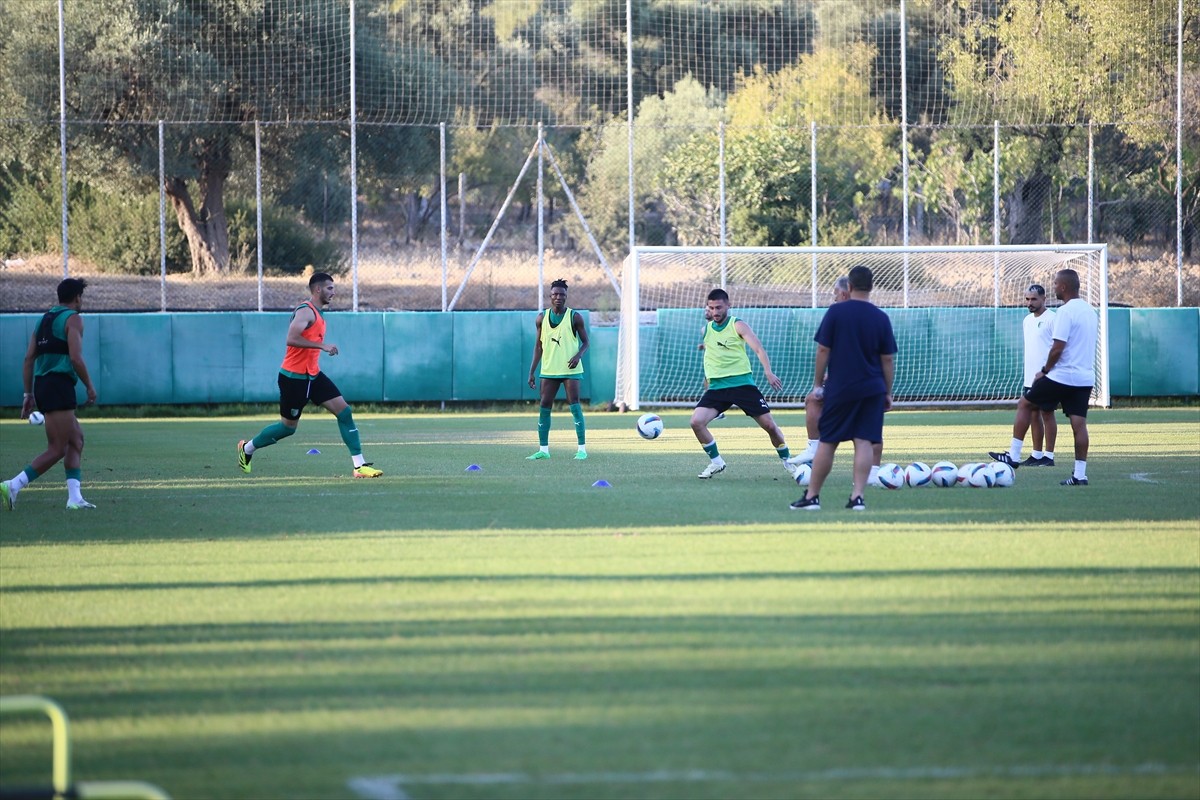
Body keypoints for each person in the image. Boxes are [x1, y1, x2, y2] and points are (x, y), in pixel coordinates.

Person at [237, 272, 382, 478]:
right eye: (330, 288)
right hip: (294, 378)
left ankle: (359, 466)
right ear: (317, 289)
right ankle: (247, 449)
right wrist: (322, 345)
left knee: (344, 412)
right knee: (287, 428)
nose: (333, 292)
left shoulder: (319, 314)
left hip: (313, 376)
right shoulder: (306, 311)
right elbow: (291, 338)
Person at [789, 265, 897, 511]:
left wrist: (817, 384)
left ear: (848, 287)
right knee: (864, 441)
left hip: (841, 387)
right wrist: (887, 392)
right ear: (871, 287)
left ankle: (812, 497)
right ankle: (857, 496)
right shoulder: (881, 317)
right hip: (872, 389)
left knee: (828, 442)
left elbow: (823, 349)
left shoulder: (836, 313)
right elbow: (887, 359)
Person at [989, 269, 1098, 485]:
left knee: (1025, 404)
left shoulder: (1065, 312)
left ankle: (1013, 456)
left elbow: (1057, 348)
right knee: (1079, 425)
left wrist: (1045, 371)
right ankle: (1080, 475)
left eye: (1056, 283)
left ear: (1064, 287)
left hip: (1062, 375)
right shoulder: (1090, 311)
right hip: (1085, 378)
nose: (1054, 286)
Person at [1, 278, 99, 510]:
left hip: (43, 385)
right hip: (59, 385)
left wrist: (28, 394)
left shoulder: (43, 320)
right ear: (77, 297)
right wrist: (89, 386)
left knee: (76, 440)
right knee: (57, 449)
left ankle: (74, 499)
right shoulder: (73, 319)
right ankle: (13, 485)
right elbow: (75, 358)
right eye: (81, 297)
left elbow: (28, 359)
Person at [691, 288, 797, 479]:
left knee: (770, 426)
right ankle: (717, 462)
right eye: (712, 307)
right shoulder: (705, 330)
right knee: (696, 422)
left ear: (728, 306)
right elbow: (713, 349)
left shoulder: (738, 325)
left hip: (742, 385)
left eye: (719, 307)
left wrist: (768, 372)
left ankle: (788, 461)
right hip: (717, 387)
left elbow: (758, 348)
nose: (715, 312)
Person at [526, 279, 590, 460]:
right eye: (555, 294)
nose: (558, 297)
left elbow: (586, 342)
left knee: (575, 406)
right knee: (544, 407)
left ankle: (582, 449)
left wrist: (578, 356)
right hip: (548, 370)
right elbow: (538, 346)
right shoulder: (541, 318)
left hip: (571, 370)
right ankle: (543, 450)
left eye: (562, 294)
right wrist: (532, 372)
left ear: (566, 296)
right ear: (550, 296)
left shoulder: (575, 317)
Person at [1016, 283, 1058, 466]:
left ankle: (1049, 456)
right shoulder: (1027, 320)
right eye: (1027, 299)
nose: (1030, 302)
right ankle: (1036, 454)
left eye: (1034, 299)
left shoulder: (1053, 319)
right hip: (1030, 377)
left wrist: (1049, 371)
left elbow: (1058, 348)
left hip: (1047, 376)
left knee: (1047, 413)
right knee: (1033, 414)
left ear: (1044, 299)